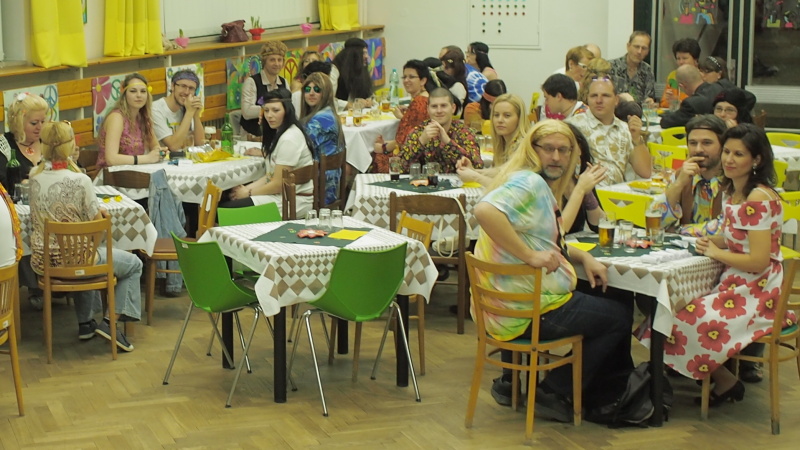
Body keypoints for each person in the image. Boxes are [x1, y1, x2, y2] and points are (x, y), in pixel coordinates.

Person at [473, 119, 633, 420]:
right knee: (619, 316)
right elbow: (484, 210)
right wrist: (529, 256)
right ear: (533, 150)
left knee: (605, 300)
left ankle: (567, 388)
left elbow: (544, 241)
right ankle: (555, 390)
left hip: (504, 308)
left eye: (563, 150)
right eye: (548, 149)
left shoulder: (527, 181)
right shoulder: (530, 183)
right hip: (529, 310)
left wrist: (582, 257)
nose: (556, 157)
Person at [640, 123, 795, 403]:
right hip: (737, 281)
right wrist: (711, 242)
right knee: (670, 309)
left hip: (757, 289)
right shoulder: (733, 191)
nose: (729, 160)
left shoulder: (758, 197)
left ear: (757, 160)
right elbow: (738, 237)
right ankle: (720, 380)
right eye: (727, 152)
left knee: (679, 318)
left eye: (739, 154)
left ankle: (720, 381)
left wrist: (715, 252)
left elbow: (758, 260)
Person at [29, 121, 142, 351]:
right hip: (76, 260)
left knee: (82, 252)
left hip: (43, 261)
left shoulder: (34, 176)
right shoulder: (81, 180)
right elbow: (96, 224)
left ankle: (86, 323)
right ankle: (110, 323)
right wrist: (100, 217)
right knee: (132, 264)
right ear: (71, 146)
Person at [222, 89, 316, 217]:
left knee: (223, 211)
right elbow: (270, 176)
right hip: (282, 196)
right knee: (226, 199)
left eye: (275, 110)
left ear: (287, 111)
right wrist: (246, 189)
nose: (269, 115)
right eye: (266, 110)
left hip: (292, 201)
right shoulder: (281, 133)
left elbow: (277, 184)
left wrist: (248, 193)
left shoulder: (289, 138)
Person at [0, 93, 47, 310]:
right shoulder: (4, 145)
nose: (40, 128)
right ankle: (35, 286)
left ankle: (60, 277)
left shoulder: (48, 140)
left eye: (43, 122)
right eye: (34, 123)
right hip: (17, 208)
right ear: (19, 121)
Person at [566, 76, 651, 186]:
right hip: (586, 192)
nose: (599, 101)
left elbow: (645, 172)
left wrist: (636, 138)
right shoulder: (572, 127)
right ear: (587, 99)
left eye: (605, 96)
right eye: (594, 96)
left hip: (617, 193)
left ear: (616, 100)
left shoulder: (625, 129)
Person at [658, 114, 727, 237]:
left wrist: (679, 230)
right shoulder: (682, 175)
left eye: (707, 143)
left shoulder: (735, 179)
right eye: (693, 143)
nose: (698, 149)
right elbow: (656, 221)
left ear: (723, 146)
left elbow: (727, 228)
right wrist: (679, 184)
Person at [397, 88, 482, 173]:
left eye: (443, 106)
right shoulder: (418, 132)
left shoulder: (465, 132)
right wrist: (421, 142)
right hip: (425, 181)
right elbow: (400, 167)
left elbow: (477, 166)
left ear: (453, 108)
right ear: (428, 109)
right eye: (434, 106)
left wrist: (448, 142)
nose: (439, 111)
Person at [457, 93, 530, 185]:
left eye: (507, 115)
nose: (500, 120)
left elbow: (507, 187)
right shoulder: (503, 142)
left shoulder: (523, 145)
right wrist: (473, 171)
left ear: (519, 119)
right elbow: (500, 171)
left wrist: (475, 177)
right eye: (496, 115)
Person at [373, 59, 432, 169]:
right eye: (404, 77)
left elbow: (404, 140)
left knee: (374, 156)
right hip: (416, 153)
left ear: (423, 80)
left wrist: (383, 147)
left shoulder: (419, 102)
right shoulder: (424, 98)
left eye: (411, 77)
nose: (406, 80)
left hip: (412, 159)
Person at [97, 73, 164, 167]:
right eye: (133, 91)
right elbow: (111, 159)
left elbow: (155, 146)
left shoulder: (143, 117)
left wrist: (159, 152)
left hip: (133, 171)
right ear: (124, 94)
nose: (139, 95)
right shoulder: (117, 118)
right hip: (111, 173)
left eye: (143, 91)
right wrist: (147, 158)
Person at [299, 73, 344, 206]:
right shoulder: (329, 113)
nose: (311, 93)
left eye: (317, 89)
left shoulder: (320, 119)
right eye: (308, 89)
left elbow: (298, 147)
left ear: (326, 93)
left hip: (320, 188)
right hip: (330, 182)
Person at [240, 41, 290, 136]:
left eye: (279, 60)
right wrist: (272, 108)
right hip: (253, 135)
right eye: (272, 60)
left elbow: (289, 108)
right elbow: (247, 112)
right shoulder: (252, 82)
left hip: (277, 134)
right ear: (264, 61)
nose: (276, 64)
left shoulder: (284, 82)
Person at [151, 69, 205, 150]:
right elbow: (173, 146)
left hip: (186, 156)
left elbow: (201, 144)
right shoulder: (155, 109)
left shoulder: (188, 107)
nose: (186, 92)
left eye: (191, 88)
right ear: (173, 86)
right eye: (183, 86)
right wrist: (190, 112)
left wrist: (196, 116)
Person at [609, 31, 656, 106]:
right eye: (636, 47)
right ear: (628, 46)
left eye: (644, 48)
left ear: (648, 51)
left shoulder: (647, 71)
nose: (639, 51)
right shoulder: (611, 67)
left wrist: (649, 102)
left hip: (638, 112)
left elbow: (649, 97)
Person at [659, 38, 701, 108]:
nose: (681, 62)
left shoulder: (702, 77)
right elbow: (663, 103)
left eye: (685, 58)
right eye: (678, 58)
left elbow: (701, 104)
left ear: (695, 60)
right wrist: (670, 101)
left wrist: (679, 103)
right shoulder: (672, 76)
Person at [332, 38, 372, 103]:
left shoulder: (361, 70)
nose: (366, 56)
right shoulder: (334, 70)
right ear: (354, 55)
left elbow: (365, 95)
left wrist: (368, 100)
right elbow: (330, 100)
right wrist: (349, 105)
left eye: (366, 53)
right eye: (363, 53)